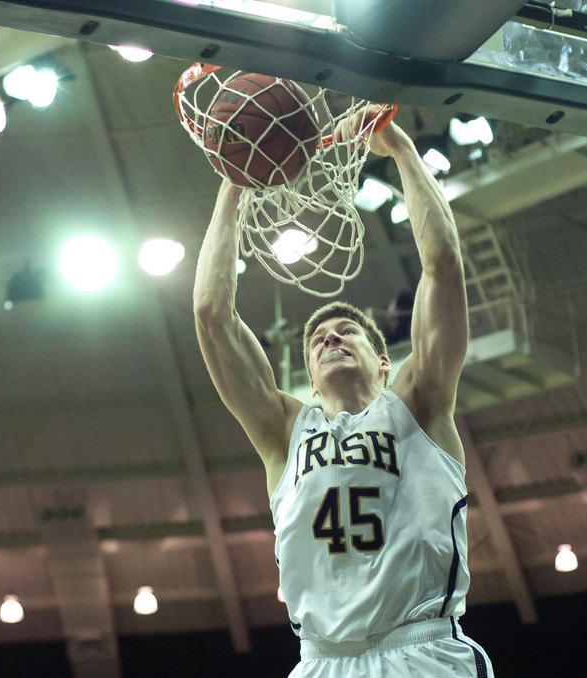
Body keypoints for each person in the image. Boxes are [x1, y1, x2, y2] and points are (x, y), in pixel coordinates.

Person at [194, 106, 493, 677]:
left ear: (386, 362)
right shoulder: (284, 431)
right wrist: (235, 179)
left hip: (424, 649)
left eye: (347, 330)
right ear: (308, 379)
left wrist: (399, 148)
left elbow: (444, 263)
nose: (330, 336)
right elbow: (211, 312)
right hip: (323, 663)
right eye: (317, 339)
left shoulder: (419, 403)